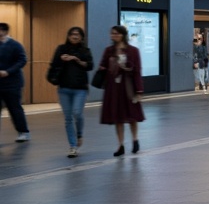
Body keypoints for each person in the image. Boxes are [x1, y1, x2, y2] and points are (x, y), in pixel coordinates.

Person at [97, 25, 144, 156]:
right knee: (117, 117)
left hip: (128, 87)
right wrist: (105, 68)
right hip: (113, 88)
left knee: (132, 115)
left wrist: (139, 90)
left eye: (117, 33)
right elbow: (103, 66)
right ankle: (120, 145)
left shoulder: (133, 51)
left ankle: (135, 140)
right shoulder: (109, 50)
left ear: (123, 35)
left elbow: (137, 71)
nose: (114, 36)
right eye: (112, 34)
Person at [52, 26, 93, 156]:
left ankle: (79, 134)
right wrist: (61, 59)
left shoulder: (85, 51)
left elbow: (90, 65)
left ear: (81, 37)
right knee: (68, 118)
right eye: (72, 34)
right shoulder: (61, 49)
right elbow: (53, 65)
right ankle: (73, 146)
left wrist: (76, 59)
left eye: (77, 34)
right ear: (68, 36)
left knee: (77, 113)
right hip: (64, 88)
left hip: (80, 88)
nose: (74, 36)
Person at [0, 23, 29, 143]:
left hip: (13, 83)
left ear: (5, 31)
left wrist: (8, 71)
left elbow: (22, 60)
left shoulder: (15, 45)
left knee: (14, 108)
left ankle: (23, 132)